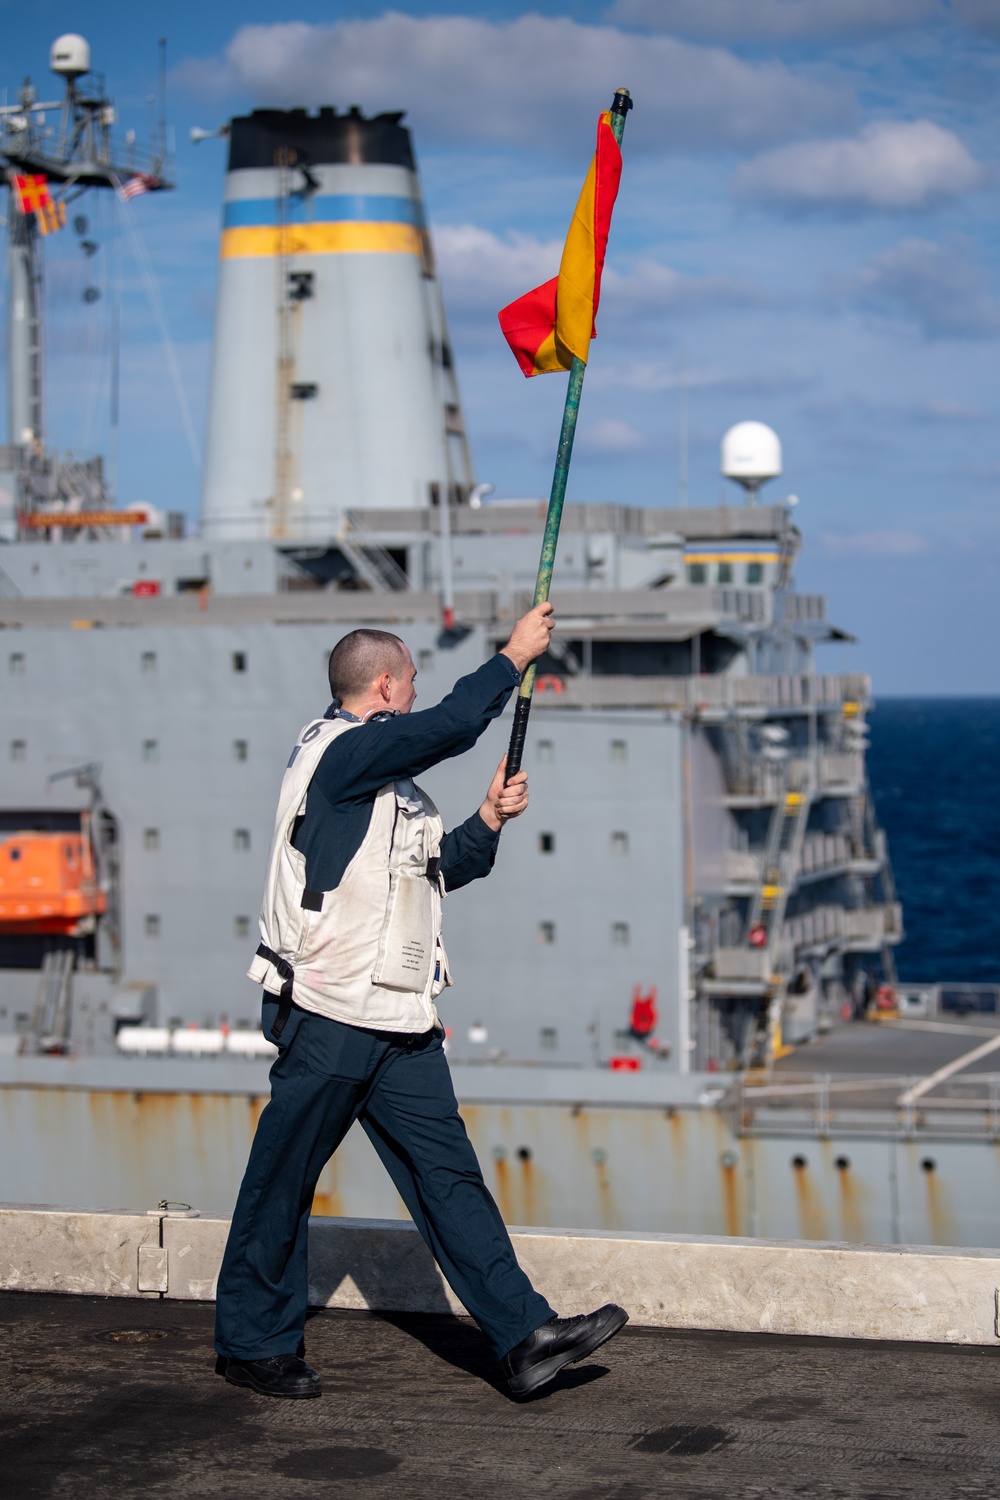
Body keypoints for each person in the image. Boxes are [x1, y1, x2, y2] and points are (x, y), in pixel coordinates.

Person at [214, 602, 627, 1400]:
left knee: (449, 1177)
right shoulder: (342, 753)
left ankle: (523, 1337)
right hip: (331, 1014)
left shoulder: (385, 784)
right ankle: (252, 1344)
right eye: (409, 683)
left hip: (398, 1019)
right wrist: (512, 658)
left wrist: (486, 819)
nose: (415, 695)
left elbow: (438, 872)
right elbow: (450, 727)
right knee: (283, 1179)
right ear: (385, 686)